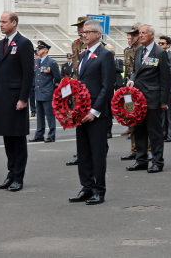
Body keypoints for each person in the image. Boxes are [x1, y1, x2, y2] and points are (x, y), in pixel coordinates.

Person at [68, 19, 114, 205]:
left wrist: (95, 111)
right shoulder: (84, 54)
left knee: (97, 153)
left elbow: (107, 87)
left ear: (98, 34)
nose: (83, 35)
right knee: (83, 152)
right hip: (81, 111)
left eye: (87, 32)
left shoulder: (105, 55)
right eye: (83, 32)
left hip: (97, 113)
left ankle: (99, 190)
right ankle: (86, 187)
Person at [0, 12, 34, 192]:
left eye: (4, 22)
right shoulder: (0, 44)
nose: (1, 25)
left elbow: (28, 74)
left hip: (17, 99)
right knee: (7, 137)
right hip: (3, 98)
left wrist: (23, 98)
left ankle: (18, 177)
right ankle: (10, 175)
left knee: (17, 139)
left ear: (14, 23)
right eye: (0, 22)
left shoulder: (24, 43)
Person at [126, 24, 170, 173]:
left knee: (155, 132)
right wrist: (132, 79)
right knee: (139, 130)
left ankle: (157, 161)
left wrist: (163, 101)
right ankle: (141, 160)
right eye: (140, 33)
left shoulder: (160, 52)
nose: (141, 36)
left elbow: (165, 78)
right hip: (138, 98)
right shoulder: (139, 50)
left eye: (144, 33)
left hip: (153, 97)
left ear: (152, 35)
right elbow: (136, 71)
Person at [66, 16, 93, 167]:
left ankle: (98, 148)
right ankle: (81, 153)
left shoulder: (94, 43)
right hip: (78, 86)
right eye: (78, 27)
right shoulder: (75, 44)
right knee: (78, 118)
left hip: (89, 85)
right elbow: (75, 66)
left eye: (81, 26)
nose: (78, 29)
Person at [121, 23, 148, 162]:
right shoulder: (128, 51)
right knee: (132, 119)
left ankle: (148, 151)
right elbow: (128, 71)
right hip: (131, 90)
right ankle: (134, 149)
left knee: (144, 121)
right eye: (130, 35)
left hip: (143, 90)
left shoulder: (145, 50)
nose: (130, 37)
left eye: (134, 35)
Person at [29, 41, 61, 144]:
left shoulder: (52, 62)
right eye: (38, 49)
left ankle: (51, 135)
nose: (38, 50)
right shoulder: (37, 62)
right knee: (40, 116)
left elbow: (57, 78)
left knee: (49, 116)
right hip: (38, 93)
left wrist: (52, 90)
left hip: (47, 93)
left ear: (46, 50)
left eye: (40, 48)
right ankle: (39, 135)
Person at [158, 35, 171, 142]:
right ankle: (163, 133)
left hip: (169, 88)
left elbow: (169, 72)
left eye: (162, 43)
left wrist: (156, 75)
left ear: (168, 45)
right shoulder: (157, 55)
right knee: (162, 114)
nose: (159, 45)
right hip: (160, 88)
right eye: (159, 43)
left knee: (170, 113)